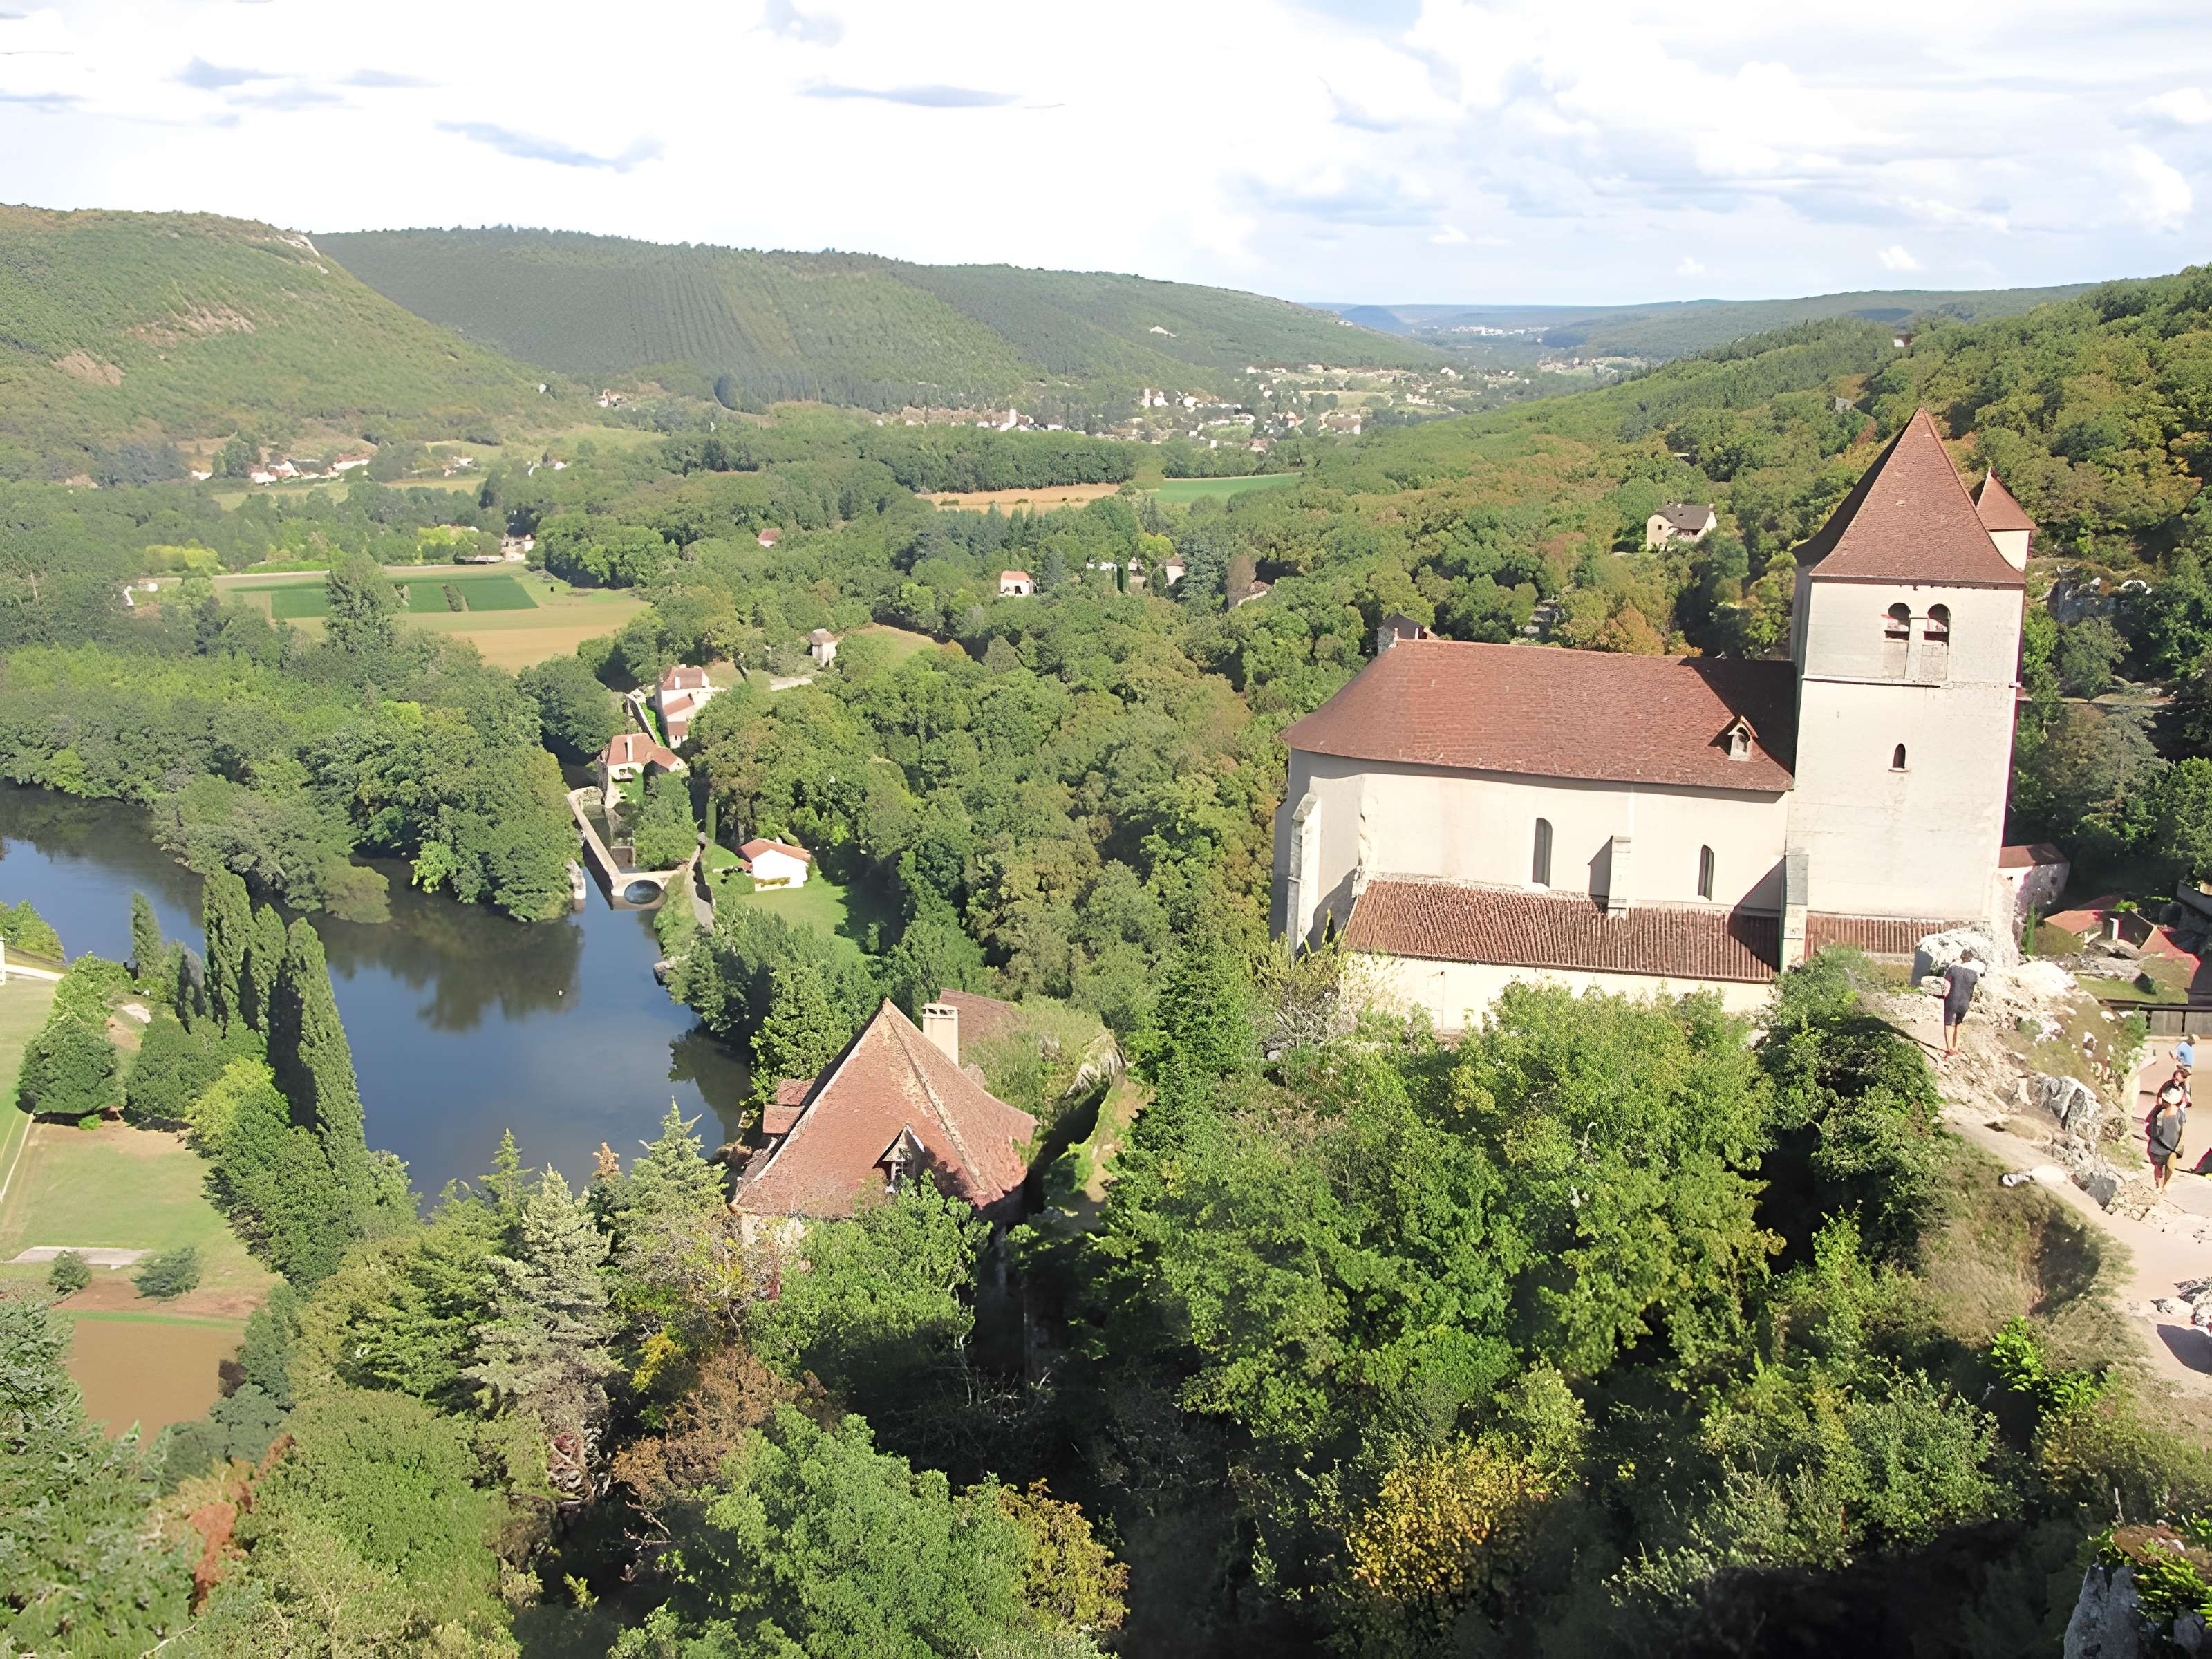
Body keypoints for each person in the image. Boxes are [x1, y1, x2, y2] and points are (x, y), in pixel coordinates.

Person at [1929, 948, 1982, 1057]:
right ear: (1971, 959)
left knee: (1949, 1023)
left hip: (1952, 999)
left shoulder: (1953, 969)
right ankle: (1955, 1046)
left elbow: (1945, 984)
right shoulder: (1974, 974)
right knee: (1958, 1023)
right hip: (1965, 1003)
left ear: (1961, 956)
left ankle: (1949, 1048)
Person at [2150, 1078, 2189, 1194]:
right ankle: (2163, 1186)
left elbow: (2153, 1129)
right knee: (2168, 1167)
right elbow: (2181, 1128)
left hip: (2163, 1145)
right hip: (2171, 1145)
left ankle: (2161, 1186)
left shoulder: (2159, 1112)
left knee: (2160, 1167)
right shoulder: (2176, 1113)